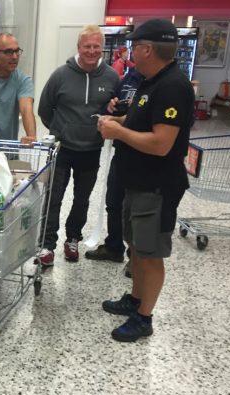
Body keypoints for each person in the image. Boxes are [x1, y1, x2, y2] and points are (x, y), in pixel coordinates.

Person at [97, 19, 195, 342]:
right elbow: (142, 119)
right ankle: (135, 298)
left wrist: (118, 132)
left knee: (150, 253)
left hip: (156, 186)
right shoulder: (150, 81)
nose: (131, 52)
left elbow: (161, 143)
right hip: (137, 181)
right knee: (137, 246)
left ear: (148, 49)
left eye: (135, 46)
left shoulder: (173, 87)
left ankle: (144, 317)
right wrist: (119, 120)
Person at [36, 25, 118, 265]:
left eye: (96, 46)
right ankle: (47, 245)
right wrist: (61, 130)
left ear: (102, 48)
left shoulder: (111, 77)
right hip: (62, 149)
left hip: (91, 150)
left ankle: (73, 238)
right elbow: (44, 108)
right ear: (78, 47)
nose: (91, 51)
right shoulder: (61, 75)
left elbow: (115, 109)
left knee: (82, 200)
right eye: (87, 46)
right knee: (53, 198)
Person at [85, 67, 144, 278]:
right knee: (114, 201)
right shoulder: (130, 77)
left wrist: (134, 111)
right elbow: (114, 107)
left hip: (144, 156)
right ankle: (114, 246)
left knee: (134, 209)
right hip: (122, 151)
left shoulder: (162, 84)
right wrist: (112, 107)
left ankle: (136, 257)